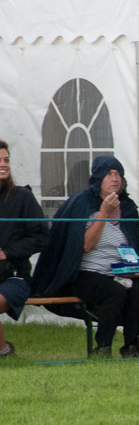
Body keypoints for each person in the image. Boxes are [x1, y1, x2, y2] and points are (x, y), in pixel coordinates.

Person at [32, 156, 139, 357]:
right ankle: (102, 347)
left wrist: (133, 268)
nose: (115, 179)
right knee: (115, 292)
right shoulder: (82, 204)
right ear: (98, 178)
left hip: (121, 271)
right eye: (109, 174)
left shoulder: (128, 207)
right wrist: (103, 212)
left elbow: (134, 245)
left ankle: (131, 346)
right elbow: (83, 246)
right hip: (85, 272)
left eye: (118, 174)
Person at [0, 140, 49, 357]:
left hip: (15, 276)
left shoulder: (22, 197)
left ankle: (3, 350)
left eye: (6, 160)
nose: (4, 164)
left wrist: (7, 252)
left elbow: (42, 237)